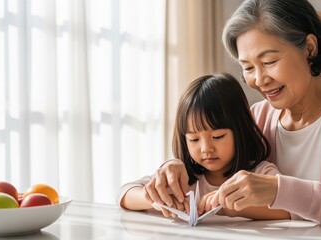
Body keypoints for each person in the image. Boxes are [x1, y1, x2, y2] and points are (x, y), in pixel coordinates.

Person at [144, 0, 321, 228]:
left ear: (310, 48)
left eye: (269, 62)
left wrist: (278, 190)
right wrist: (174, 164)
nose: (259, 79)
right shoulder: (256, 118)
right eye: (248, 67)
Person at [117, 73, 290, 220]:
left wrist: (226, 206)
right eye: (194, 139)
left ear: (240, 131)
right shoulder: (184, 177)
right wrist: (155, 199)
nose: (206, 148)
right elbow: (124, 195)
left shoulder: (260, 173)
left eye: (217, 136)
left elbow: (288, 211)